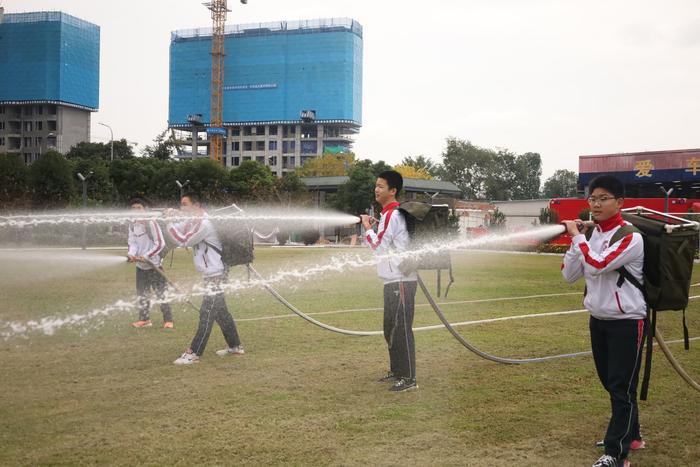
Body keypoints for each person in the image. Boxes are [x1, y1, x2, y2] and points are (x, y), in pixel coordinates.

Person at [561, 175, 646, 467]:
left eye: (603, 198)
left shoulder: (630, 237)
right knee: (613, 384)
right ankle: (631, 435)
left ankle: (616, 452)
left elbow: (597, 266)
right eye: (592, 199)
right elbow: (569, 274)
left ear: (619, 203)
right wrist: (578, 241)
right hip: (598, 318)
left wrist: (577, 237)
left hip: (626, 321)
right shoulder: (593, 234)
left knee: (621, 386)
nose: (595, 204)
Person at [165, 193, 244, 365]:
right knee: (221, 311)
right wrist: (170, 218)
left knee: (206, 313)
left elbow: (184, 240)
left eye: (185, 204)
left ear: (197, 205)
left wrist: (169, 223)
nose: (182, 208)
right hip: (211, 274)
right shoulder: (194, 221)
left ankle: (194, 352)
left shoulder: (205, 223)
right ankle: (235, 346)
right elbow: (180, 228)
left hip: (217, 274)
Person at [360, 170, 418, 392]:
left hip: (401, 280)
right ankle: (397, 371)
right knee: (390, 328)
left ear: (393, 191)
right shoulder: (390, 215)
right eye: (376, 185)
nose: (376, 189)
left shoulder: (393, 214)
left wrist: (367, 228)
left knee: (401, 329)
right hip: (393, 280)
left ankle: (409, 377)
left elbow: (379, 248)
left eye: (381, 186)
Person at [127, 198, 173, 329]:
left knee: (161, 293)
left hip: (154, 265)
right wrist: (131, 254)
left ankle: (168, 319)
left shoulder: (151, 223)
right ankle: (145, 319)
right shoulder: (132, 225)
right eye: (133, 208)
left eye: (139, 208)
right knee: (142, 293)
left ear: (144, 209)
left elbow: (160, 243)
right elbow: (132, 243)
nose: (136, 211)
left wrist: (146, 256)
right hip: (140, 266)